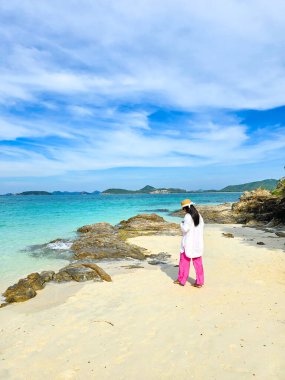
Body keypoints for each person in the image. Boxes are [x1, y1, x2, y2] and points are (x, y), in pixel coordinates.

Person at [174, 199, 205, 288]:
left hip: (188, 243)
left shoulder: (188, 216)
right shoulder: (199, 215)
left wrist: (181, 224)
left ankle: (181, 280)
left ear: (186, 208)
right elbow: (201, 227)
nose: (183, 210)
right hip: (197, 243)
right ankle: (200, 282)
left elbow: (185, 229)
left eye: (183, 208)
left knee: (184, 262)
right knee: (198, 264)